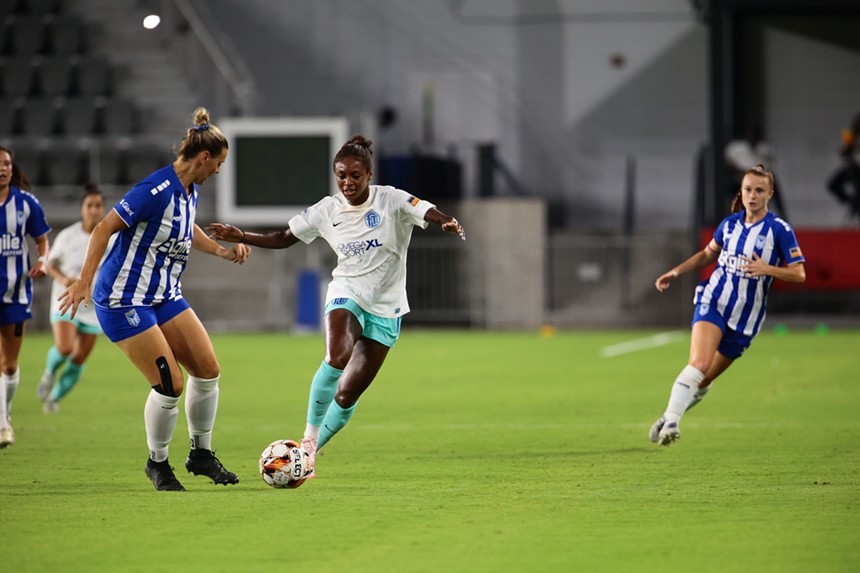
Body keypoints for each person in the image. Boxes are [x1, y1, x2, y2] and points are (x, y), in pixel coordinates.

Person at [206, 134, 465, 475]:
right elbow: (284, 238)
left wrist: (444, 220)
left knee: (346, 397)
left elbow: (424, 209)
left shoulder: (390, 200)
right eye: (341, 175)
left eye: (354, 175)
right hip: (346, 291)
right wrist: (242, 236)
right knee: (337, 356)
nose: (347, 182)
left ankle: (308, 457)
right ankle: (308, 440)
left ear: (369, 175)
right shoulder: (327, 209)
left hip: (387, 308)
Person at [58, 108, 252, 491]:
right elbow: (103, 229)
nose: (218, 170)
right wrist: (84, 280)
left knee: (208, 369)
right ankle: (158, 464)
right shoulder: (153, 190)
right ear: (203, 158)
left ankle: (201, 455)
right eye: (219, 163)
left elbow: (184, 228)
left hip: (163, 294)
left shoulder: (189, 189)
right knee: (170, 384)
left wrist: (221, 251)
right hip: (123, 298)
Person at [648, 164, 806, 446]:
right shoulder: (729, 225)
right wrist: (676, 271)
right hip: (714, 301)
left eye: (759, 190)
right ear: (741, 192)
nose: (752, 195)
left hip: (746, 319)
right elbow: (707, 254)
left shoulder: (779, 231)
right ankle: (673, 422)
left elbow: (799, 273)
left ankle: (668, 414)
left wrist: (768, 269)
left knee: (705, 379)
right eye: (748, 190)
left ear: (770, 193)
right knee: (699, 363)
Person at [38, 183, 115, 413]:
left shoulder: (109, 239)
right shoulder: (68, 235)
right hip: (66, 298)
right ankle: (49, 372)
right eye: (89, 205)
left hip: (92, 305)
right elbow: (49, 264)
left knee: (79, 357)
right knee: (65, 348)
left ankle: (55, 397)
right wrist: (64, 280)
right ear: (82, 208)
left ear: (103, 209)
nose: (93, 209)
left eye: (98, 205)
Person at [0, 145, 51, 448]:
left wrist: (42, 261)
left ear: (12, 168)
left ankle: (5, 415)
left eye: (6, 164)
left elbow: (42, 240)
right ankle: (3, 425)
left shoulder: (26, 204)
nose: (2, 168)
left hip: (15, 293)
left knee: (8, 364)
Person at [724, 125, 787, 218]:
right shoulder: (737, 148)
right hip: (741, 179)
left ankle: (781, 216)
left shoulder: (764, 149)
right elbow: (729, 164)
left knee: (772, 185)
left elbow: (769, 165)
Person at [825, 113, 860, 222]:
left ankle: (856, 205)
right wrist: (848, 146)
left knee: (858, 191)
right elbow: (843, 152)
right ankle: (851, 202)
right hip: (852, 168)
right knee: (833, 184)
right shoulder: (851, 136)